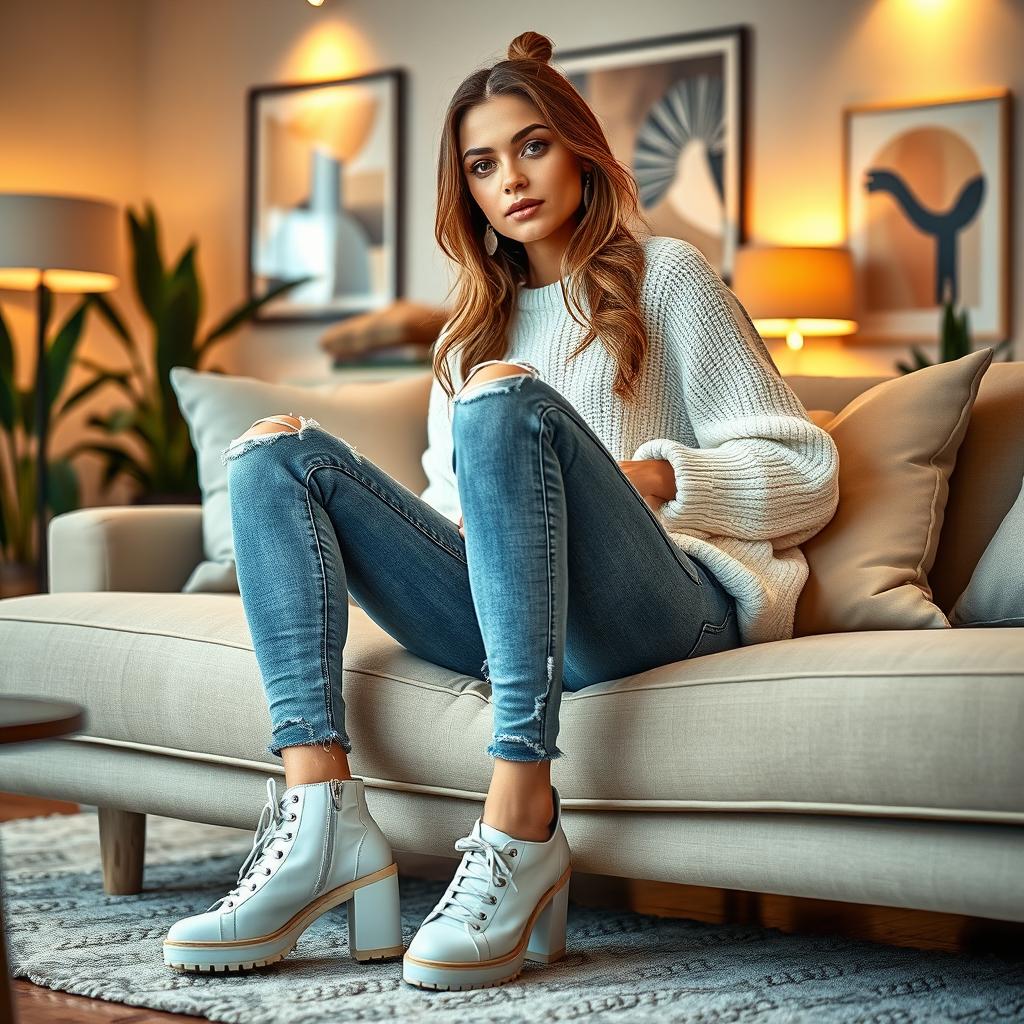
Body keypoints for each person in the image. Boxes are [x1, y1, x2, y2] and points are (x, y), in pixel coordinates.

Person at [162, 29, 840, 990]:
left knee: (506, 400)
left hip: (661, 606)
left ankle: (521, 820)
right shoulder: (467, 333)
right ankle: (320, 820)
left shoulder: (669, 276)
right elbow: (454, 509)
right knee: (274, 453)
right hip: (515, 610)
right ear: (467, 190)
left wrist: (653, 478)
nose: (512, 180)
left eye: (532, 146)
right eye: (483, 164)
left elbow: (808, 470)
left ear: (579, 150)